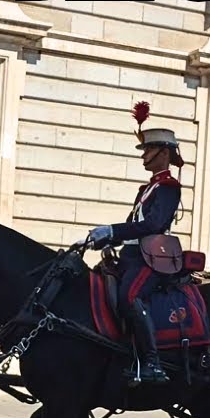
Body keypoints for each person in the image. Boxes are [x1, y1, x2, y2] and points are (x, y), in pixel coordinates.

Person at [76, 105, 183, 386]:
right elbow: (132, 225)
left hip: (150, 258)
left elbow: (154, 224)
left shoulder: (169, 187)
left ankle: (152, 362)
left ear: (164, 153)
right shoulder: (146, 189)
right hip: (131, 255)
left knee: (130, 296)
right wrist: (101, 238)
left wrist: (112, 230)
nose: (144, 156)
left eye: (149, 150)